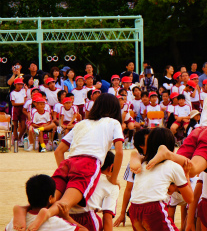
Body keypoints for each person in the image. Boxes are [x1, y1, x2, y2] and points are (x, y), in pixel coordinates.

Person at [13, 93, 124, 231]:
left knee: (48, 199)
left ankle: (24, 209)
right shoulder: (113, 123)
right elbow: (119, 151)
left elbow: (58, 151)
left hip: (69, 162)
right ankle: (47, 213)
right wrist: (113, 179)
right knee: (64, 203)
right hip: (88, 163)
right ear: (115, 109)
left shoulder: (82, 123)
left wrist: (66, 175)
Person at [145, 64, 207, 178]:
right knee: (193, 170)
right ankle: (168, 154)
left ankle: (154, 157)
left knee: (175, 168)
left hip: (198, 131)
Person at [128, 128, 193, 231]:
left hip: (134, 209)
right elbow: (189, 198)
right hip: (153, 208)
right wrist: (187, 174)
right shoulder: (173, 166)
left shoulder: (143, 164)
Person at [7, 175, 84, 231]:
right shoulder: (56, 222)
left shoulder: (15, 222)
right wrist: (67, 217)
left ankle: (24, 208)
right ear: (50, 198)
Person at [69, 151, 119, 231]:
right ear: (111, 167)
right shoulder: (112, 186)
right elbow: (107, 218)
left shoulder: (80, 174)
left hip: (66, 217)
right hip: (88, 219)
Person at [10, 77, 27, 146]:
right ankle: (15, 140)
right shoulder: (12, 93)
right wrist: (23, 103)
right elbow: (13, 103)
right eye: (18, 84)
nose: (20, 86)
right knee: (15, 125)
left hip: (22, 109)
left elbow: (25, 99)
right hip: (16, 109)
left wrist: (23, 104)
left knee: (23, 126)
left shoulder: (23, 91)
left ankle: (19, 138)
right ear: (15, 85)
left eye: (21, 84)